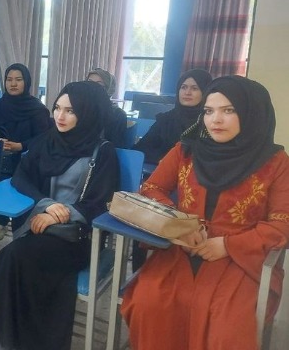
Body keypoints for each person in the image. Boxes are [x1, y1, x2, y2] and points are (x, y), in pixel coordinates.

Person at [121, 76, 289, 350]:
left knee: (228, 327)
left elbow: (283, 224)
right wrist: (180, 225)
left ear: (252, 113)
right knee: (149, 304)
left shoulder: (276, 163)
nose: (216, 120)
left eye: (229, 110)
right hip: (182, 246)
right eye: (209, 111)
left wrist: (227, 245)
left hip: (241, 258)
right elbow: (151, 188)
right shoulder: (187, 149)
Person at [0, 81, 119, 350]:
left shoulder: (103, 152)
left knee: (11, 259)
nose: (60, 116)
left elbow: (100, 203)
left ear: (88, 113)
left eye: (70, 110)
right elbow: (21, 177)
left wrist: (60, 215)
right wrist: (46, 205)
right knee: (8, 262)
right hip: (38, 225)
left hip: (76, 237)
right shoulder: (47, 140)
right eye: (57, 108)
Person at [0, 63, 51, 241]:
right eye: (9, 79)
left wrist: (21, 146)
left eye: (18, 80)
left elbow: (45, 139)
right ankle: (0, 220)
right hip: (1, 160)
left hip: (29, 159)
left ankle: (24, 222)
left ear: (26, 82)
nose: (13, 84)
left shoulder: (37, 109)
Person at [133, 69, 213, 164]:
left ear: (205, 92)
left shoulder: (212, 122)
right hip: (164, 171)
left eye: (194, 88)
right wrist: (165, 160)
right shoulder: (166, 119)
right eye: (183, 87)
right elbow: (142, 148)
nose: (187, 92)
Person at [86, 68, 127, 148]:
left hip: (99, 156)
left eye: (98, 84)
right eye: (89, 83)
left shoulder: (118, 114)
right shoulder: (76, 109)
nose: (91, 87)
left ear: (108, 89)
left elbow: (114, 146)